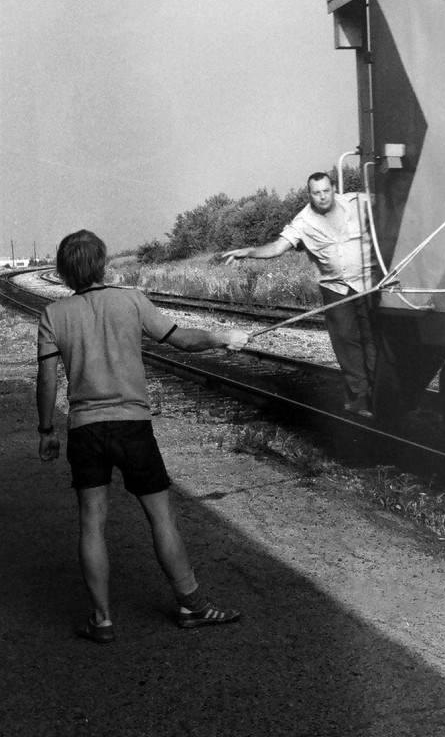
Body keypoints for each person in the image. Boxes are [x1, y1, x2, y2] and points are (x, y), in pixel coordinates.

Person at [36, 229, 250, 644]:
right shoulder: (131, 300)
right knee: (161, 517)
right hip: (133, 426)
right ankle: (191, 605)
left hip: (85, 429)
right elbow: (182, 340)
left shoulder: (53, 315)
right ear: (102, 262)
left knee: (92, 523)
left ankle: (101, 619)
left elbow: (46, 381)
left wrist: (46, 430)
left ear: (63, 271)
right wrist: (225, 338)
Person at [218, 172, 379, 416]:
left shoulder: (359, 202)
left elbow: (394, 206)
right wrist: (248, 251)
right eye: (317, 193)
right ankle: (360, 397)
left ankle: (379, 395)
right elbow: (276, 248)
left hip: (370, 283)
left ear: (334, 188)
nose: (323, 196)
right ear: (310, 194)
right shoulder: (303, 221)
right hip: (335, 288)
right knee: (347, 342)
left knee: (374, 340)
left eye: (326, 190)